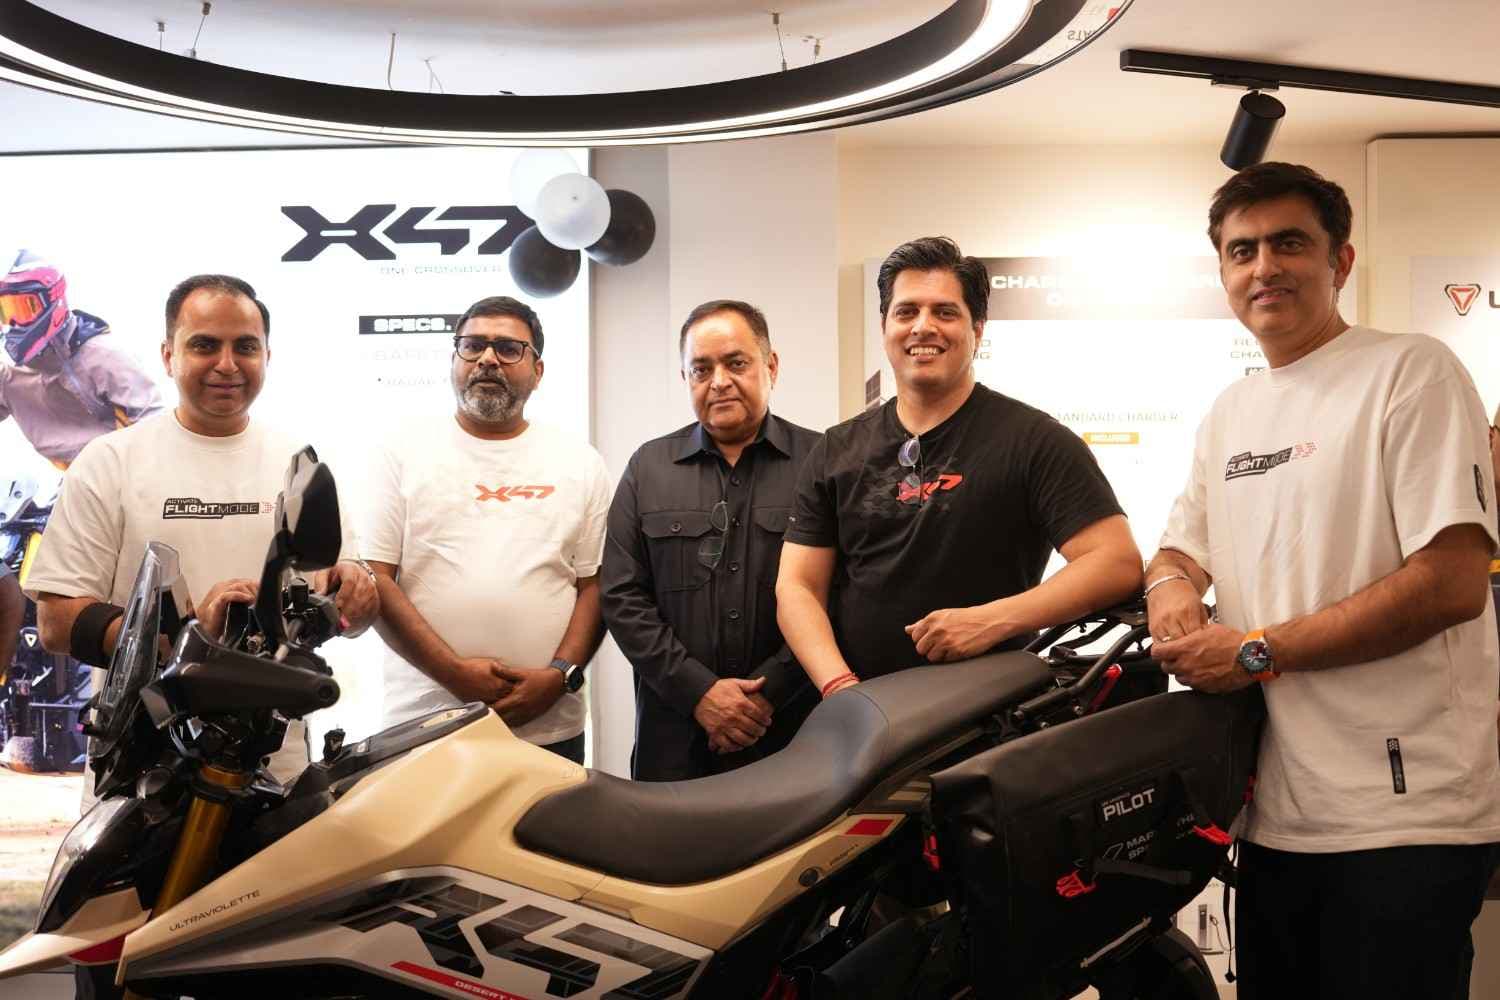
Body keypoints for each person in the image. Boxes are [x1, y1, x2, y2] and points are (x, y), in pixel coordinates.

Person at [1145, 162, 1500, 1000]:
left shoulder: (1412, 372)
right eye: (1242, 251)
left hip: (1404, 817)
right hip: (1275, 818)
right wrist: (1171, 594)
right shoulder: (1232, 411)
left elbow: (1451, 582)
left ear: (1340, 261)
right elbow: (1176, 552)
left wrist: (1255, 653)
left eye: (1289, 243)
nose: (1264, 266)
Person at [25, 274, 378, 786]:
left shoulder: (296, 462)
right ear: (168, 356)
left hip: (276, 768)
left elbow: (343, 599)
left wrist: (356, 592)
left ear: (267, 356)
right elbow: (57, 622)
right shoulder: (109, 461)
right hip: (144, 766)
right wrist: (189, 638)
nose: (227, 364)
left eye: (245, 347)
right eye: (205, 345)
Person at [777, 236, 1142, 698]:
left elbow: (1116, 562)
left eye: (945, 312)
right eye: (906, 312)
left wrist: (991, 621)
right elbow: (798, 586)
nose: (923, 327)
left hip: (991, 716)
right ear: (885, 326)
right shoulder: (837, 449)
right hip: (865, 712)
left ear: (978, 330)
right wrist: (840, 689)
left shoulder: (1035, 441)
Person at [365, 295, 609, 765]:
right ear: (454, 360)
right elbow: (375, 577)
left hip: (549, 725)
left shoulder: (580, 461)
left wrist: (559, 676)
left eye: (509, 348)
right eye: (473, 346)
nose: (488, 359)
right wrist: (453, 672)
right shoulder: (400, 452)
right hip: (425, 723)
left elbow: (594, 585)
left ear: (538, 370)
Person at [601, 299, 820, 781]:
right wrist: (699, 692)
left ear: (771, 366)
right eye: (701, 369)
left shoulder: (822, 462)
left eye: (735, 363)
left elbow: (842, 592)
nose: (718, 381)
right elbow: (621, 596)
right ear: (686, 378)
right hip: (673, 739)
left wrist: (769, 691)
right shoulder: (648, 467)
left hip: (794, 734)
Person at [0, 249, 162, 468]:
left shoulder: (102, 355)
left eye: (22, 309)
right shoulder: (8, 377)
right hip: (63, 480)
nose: (12, 323)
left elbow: (155, 422)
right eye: (3, 313)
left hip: (124, 471)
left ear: (52, 299)